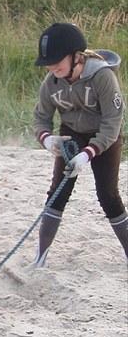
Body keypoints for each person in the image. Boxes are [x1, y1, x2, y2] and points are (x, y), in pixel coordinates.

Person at [32, 22, 126, 266]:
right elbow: (40, 118)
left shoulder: (103, 77)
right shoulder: (51, 82)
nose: (52, 67)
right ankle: (40, 258)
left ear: (75, 56)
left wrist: (88, 154)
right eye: (48, 63)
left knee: (108, 196)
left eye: (56, 61)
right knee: (58, 192)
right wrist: (47, 139)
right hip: (71, 134)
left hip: (105, 137)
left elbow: (112, 122)